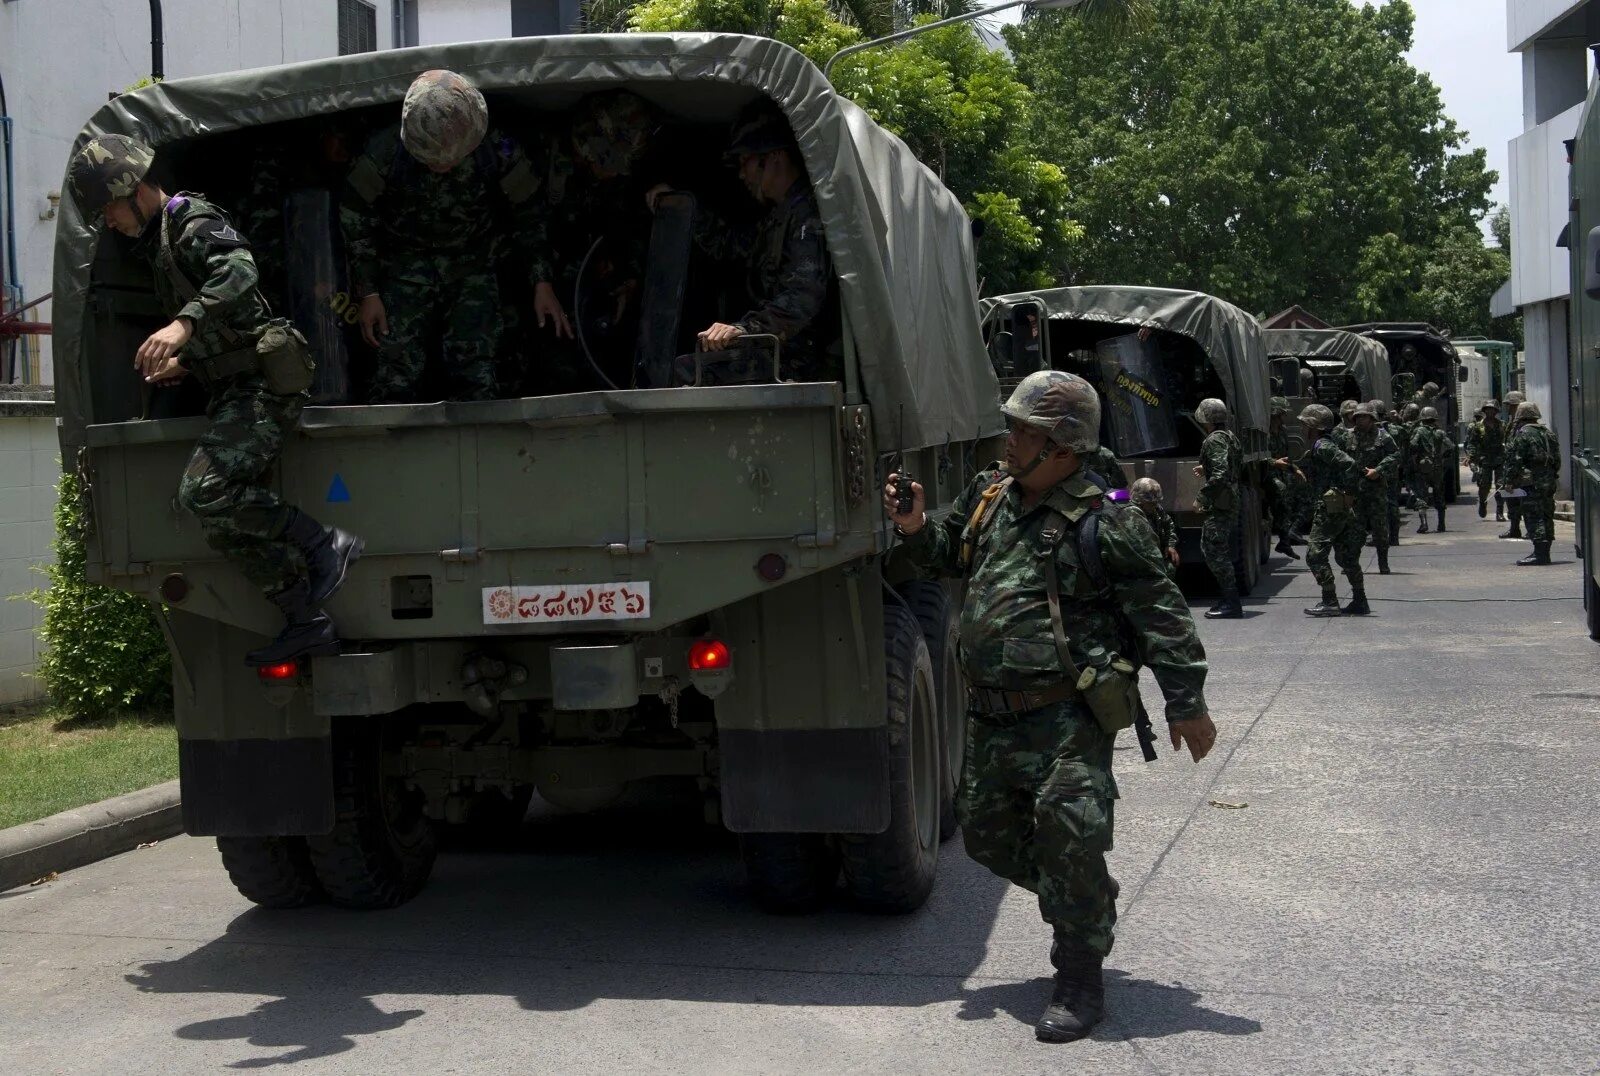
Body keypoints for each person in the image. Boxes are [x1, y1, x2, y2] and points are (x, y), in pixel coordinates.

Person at [882, 369, 1215, 1044]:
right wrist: (916, 523)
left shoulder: (1107, 522)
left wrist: (1186, 702)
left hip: (1066, 715)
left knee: (1069, 833)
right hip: (990, 713)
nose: (1009, 440)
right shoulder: (990, 497)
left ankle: (1078, 971)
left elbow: (1163, 616)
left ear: (1063, 446)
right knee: (985, 836)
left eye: (1023, 431)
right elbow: (949, 551)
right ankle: (1085, 897)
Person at [68, 134, 364, 665]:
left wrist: (182, 326)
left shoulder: (191, 220)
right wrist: (187, 362)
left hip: (265, 387)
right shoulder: (162, 243)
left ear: (132, 189)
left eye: (108, 207)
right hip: (235, 386)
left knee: (203, 492)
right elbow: (228, 328)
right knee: (220, 520)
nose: (107, 220)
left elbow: (240, 272)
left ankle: (323, 543)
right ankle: (305, 619)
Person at [341, 69, 554, 403]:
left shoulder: (497, 149)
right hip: (403, 265)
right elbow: (355, 218)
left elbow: (528, 212)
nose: (442, 166)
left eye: (451, 159)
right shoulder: (383, 152)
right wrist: (368, 293)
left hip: (473, 263)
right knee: (394, 374)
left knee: (477, 373)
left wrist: (542, 282)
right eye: (431, 160)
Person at [647, 105, 841, 384]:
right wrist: (681, 206)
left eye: (745, 162)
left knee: (687, 372)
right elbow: (729, 245)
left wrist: (743, 329)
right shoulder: (779, 217)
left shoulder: (807, 215)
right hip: (782, 352)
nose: (741, 175)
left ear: (774, 157)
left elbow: (803, 297)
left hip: (802, 360)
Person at [504, 90, 663, 395]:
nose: (612, 171)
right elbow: (527, 222)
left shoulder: (611, 179)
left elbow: (625, 227)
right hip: (526, 282)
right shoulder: (539, 156)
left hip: (577, 291)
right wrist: (541, 282)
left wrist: (628, 277)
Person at [1298, 403, 1367, 617]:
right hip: (1338, 508)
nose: (1303, 429)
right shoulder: (1326, 444)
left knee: (1315, 556)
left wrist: (1349, 493)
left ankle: (1329, 601)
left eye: (1305, 424)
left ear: (1313, 426)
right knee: (1346, 557)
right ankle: (1360, 600)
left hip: (1330, 508)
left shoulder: (1322, 445)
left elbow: (1350, 465)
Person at [1192, 398, 1244, 619]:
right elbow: (1231, 466)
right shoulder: (1229, 437)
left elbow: (1221, 473)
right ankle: (1228, 599)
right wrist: (1207, 468)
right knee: (1215, 549)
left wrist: (1202, 497)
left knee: (1214, 551)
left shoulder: (1214, 440)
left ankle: (1232, 603)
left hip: (1220, 503)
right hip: (1229, 500)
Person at [1341, 402, 1400, 574]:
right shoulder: (1348, 436)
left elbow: (1395, 455)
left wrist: (1379, 470)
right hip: (1355, 491)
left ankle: (1383, 563)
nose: (1360, 420)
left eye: (1364, 417)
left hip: (1376, 490)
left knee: (1379, 528)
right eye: (1357, 417)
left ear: (1372, 418)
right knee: (1354, 529)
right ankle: (1352, 563)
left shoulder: (1383, 437)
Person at [1504, 401, 1560, 565]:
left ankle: (1540, 554)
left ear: (1520, 416)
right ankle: (1545, 552)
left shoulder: (1523, 434)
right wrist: (1551, 474)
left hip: (1531, 481)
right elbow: (1557, 459)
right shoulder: (1548, 433)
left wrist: (1509, 480)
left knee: (1533, 515)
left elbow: (1515, 459)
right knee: (1547, 514)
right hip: (1548, 480)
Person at [1265, 396, 1304, 559]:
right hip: (1266, 473)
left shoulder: (1282, 431)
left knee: (1300, 493)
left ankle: (1286, 538)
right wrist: (1274, 463)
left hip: (1282, 472)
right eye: (1282, 414)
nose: (1284, 417)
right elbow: (1258, 456)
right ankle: (1284, 540)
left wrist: (1295, 469)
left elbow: (1286, 456)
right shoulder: (1264, 432)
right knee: (1282, 492)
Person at [1409, 407, 1454, 533]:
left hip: (1423, 467)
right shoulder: (1440, 432)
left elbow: (1412, 445)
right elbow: (1450, 447)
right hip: (1438, 468)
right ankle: (1441, 525)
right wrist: (1442, 457)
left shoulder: (1419, 430)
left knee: (1421, 496)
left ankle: (1424, 524)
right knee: (1439, 495)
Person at [1130, 477, 1180, 576]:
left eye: (1155, 502)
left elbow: (1168, 525)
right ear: (1138, 499)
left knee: (1170, 568)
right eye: (1150, 503)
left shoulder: (1156, 509)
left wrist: (1170, 545)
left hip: (1157, 556)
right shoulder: (1129, 514)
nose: (1154, 505)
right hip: (1138, 561)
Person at [1465, 401, 1506, 521]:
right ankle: (1483, 503)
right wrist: (1472, 459)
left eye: (1492, 409)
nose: (1490, 412)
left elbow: (1508, 441)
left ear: (1496, 411)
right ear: (1484, 411)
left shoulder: (1502, 425)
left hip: (1499, 459)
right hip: (1485, 460)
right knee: (1484, 485)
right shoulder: (1478, 426)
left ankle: (1500, 511)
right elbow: (1472, 443)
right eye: (1488, 409)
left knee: (1500, 486)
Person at [1499, 391, 1527, 539]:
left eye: (1512, 406)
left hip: (1523, 471)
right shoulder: (1512, 424)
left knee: (1527, 502)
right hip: (1511, 468)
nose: (1510, 409)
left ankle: (1531, 529)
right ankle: (1514, 528)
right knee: (1512, 501)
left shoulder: (1527, 426)